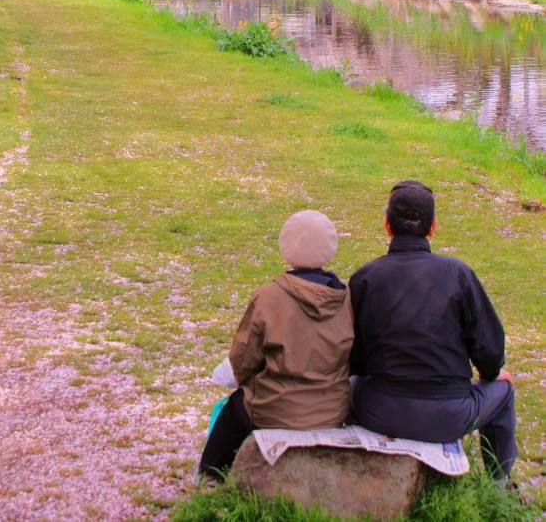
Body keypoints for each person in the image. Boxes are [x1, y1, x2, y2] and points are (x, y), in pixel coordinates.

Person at [349, 180, 517, 485]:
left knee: (343, 385)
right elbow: (489, 350)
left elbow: (353, 357)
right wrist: (492, 374)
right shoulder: (458, 274)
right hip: (449, 416)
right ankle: (498, 487)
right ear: (433, 227)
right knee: (504, 391)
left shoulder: (364, 278)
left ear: (387, 225)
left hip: (378, 409)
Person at [198, 210, 353, 480]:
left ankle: (210, 477)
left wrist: (224, 376)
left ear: (286, 247)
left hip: (276, 408)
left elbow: (243, 360)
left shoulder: (270, 296)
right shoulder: (349, 296)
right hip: (333, 409)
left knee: (234, 408)